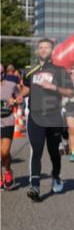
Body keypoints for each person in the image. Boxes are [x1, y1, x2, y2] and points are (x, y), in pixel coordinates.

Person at [20, 38, 73, 201]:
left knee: (53, 152)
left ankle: (56, 176)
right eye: (41, 47)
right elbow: (27, 88)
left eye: (47, 47)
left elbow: (70, 92)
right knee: (36, 150)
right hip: (35, 117)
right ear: (37, 51)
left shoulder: (60, 71)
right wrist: (17, 97)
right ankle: (35, 186)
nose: (43, 50)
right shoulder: (30, 71)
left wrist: (54, 87)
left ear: (52, 51)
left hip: (53, 117)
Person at [1, 61, 23, 190]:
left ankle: (8, 170)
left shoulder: (11, 85)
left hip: (7, 120)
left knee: (4, 152)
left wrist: (14, 100)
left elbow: (20, 98)